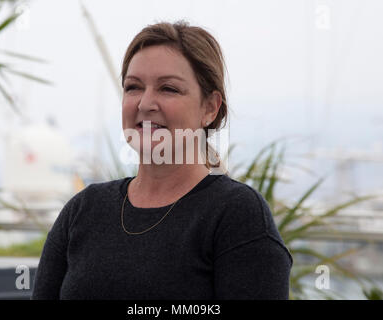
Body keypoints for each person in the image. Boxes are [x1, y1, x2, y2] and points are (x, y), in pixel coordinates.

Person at [31, 20, 293, 300]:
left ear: (210, 108)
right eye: (133, 87)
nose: (145, 103)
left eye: (168, 88)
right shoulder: (83, 210)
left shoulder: (236, 215)